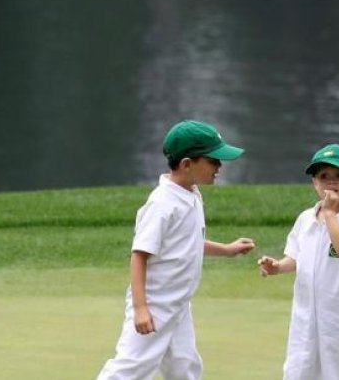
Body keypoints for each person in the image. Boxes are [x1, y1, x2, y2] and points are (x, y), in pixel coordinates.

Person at [95, 119, 256, 380]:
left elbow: (187, 243)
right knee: (131, 369)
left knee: (185, 367)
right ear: (187, 164)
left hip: (179, 304)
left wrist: (226, 249)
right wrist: (140, 308)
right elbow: (139, 256)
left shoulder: (191, 194)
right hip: (155, 305)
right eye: (213, 160)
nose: (219, 166)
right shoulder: (161, 204)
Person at [257, 144, 339, 380]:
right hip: (305, 315)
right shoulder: (305, 219)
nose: (331, 182)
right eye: (323, 177)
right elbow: (297, 257)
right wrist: (278, 266)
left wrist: (330, 215)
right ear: (314, 183)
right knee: (300, 369)